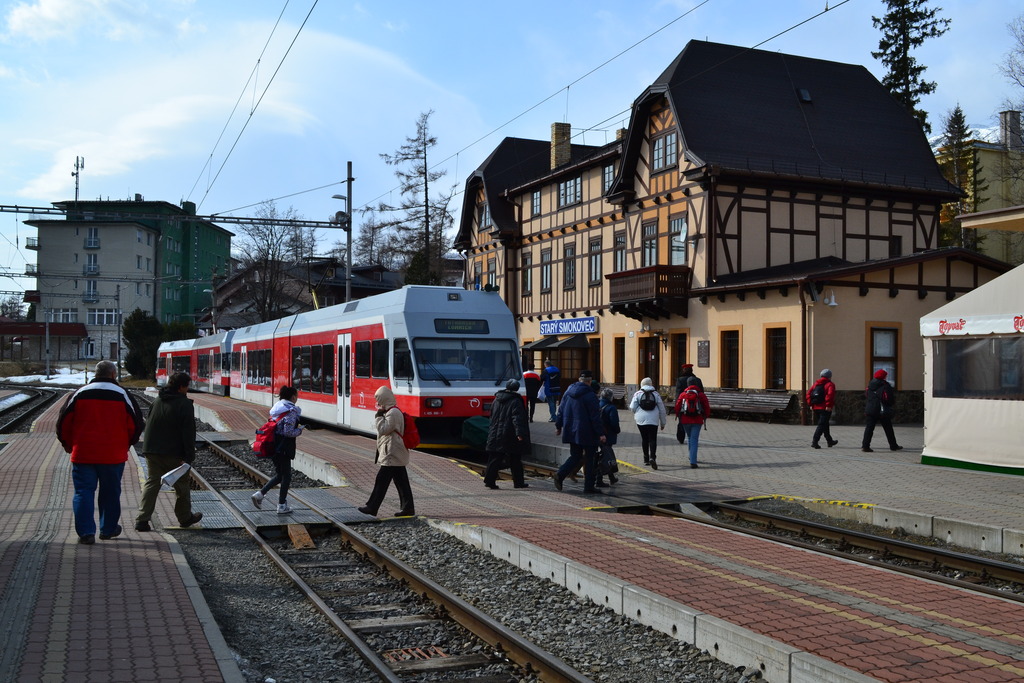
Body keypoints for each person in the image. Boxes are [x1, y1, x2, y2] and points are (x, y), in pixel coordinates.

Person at [56, 360, 145, 544]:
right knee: (111, 492)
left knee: (83, 492)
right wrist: (127, 443)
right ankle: (108, 529)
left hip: (83, 453)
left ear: (95, 374)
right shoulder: (122, 394)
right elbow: (136, 424)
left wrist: (67, 443)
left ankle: (86, 533)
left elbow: (64, 421)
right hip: (113, 455)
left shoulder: (79, 393)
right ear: (113, 375)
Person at [135, 371, 203, 532]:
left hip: (151, 450)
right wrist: (188, 456)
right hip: (174, 452)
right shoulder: (184, 404)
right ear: (181, 387)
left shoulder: (158, 400)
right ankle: (185, 518)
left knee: (152, 483)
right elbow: (188, 432)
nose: (188, 389)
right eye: (187, 386)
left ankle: (142, 520)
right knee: (181, 485)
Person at [359, 386, 415, 517]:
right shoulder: (392, 411)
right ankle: (408, 508)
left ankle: (372, 507)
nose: (378, 403)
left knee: (381, 481)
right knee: (401, 482)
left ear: (384, 399)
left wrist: (378, 416)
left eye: (379, 400)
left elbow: (384, 429)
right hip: (394, 452)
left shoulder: (393, 413)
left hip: (392, 453)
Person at [252, 386, 304, 514]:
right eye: (296, 396)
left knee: (280, 475)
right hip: (283, 448)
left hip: (273, 446)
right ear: (293, 397)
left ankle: (260, 494)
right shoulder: (291, 411)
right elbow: (288, 432)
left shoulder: (277, 409)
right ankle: (281, 505)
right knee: (286, 476)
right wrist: (300, 430)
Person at [554, 370, 606, 493]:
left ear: (579, 380)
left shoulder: (568, 392)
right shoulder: (590, 395)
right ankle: (588, 487)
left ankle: (560, 474)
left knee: (576, 456)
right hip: (587, 432)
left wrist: (558, 425)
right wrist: (601, 433)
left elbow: (560, 410)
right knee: (590, 458)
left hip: (571, 430)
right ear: (589, 382)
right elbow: (595, 417)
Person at [483, 379, 531, 489]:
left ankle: (489, 481)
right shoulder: (516, 401)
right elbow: (517, 419)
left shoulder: (497, 399)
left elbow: (492, 416)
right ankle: (518, 482)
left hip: (495, 432)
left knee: (495, 458)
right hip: (509, 434)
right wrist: (520, 434)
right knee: (515, 459)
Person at [673, 378, 711, 468]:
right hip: (697, 420)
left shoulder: (683, 394)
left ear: (687, 384)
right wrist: (705, 416)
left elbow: (677, 406)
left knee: (690, 438)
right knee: (694, 439)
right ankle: (693, 461)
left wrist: (678, 415)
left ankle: (691, 457)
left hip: (685, 420)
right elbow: (706, 406)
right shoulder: (701, 395)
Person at [629, 377, 666, 469]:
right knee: (653, 439)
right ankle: (652, 457)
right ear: (651, 384)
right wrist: (663, 423)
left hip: (640, 419)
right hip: (653, 420)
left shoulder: (637, 393)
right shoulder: (656, 394)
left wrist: (636, 413)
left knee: (644, 439)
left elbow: (632, 407)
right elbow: (662, 409)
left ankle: (646, 459)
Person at [862, 369, 902, 453]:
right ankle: (893, 445)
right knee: (888, 429)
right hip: (882, 410)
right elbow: (889, 398)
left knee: (869, 428)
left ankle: (865, 446)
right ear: (883, 376)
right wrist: (890, 404)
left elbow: (867, 396)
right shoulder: (885, 385)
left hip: (870, 409)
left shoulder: (870, 384)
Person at [807, 369, 839, 449]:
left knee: (825, 423)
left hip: (815, 407)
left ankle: (829, 440)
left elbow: (808, 394)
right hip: (824, 408)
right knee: (821, 425)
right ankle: (815, 442)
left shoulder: (816, 384)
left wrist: (811, 404)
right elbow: (830, 395)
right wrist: (828, 405)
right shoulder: (830, 384)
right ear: (830, 376)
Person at [673, 364, 703, 445]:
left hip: (683, 406)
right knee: (695, 422)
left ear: (684, 370)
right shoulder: (698, 380)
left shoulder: (680, 380)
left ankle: (681, 438)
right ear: (692, 370)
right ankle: (693, 438)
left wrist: (677, 407)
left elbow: (678, 394)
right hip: (696, 406)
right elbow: (702, 393)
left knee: (681, 422)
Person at [596, 387, 620, 486]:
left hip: (597, 433)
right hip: (607, 434)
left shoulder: (597, 404)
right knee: (605, 457)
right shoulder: (611, 407)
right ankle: (599, 479)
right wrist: (617, 430)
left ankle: (611, 478)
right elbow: (614, 422)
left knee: (604, 455)